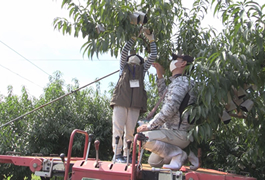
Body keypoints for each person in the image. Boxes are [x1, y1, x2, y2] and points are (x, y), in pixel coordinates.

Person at [137, 53, 199, 170]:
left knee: (142, 137)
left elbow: (170, 108)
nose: (172, 61)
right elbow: (164, 97)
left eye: (175, 59)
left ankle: (178, 154)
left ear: (183, 63)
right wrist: (160, 74)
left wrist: (150, 125)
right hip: (172, 133)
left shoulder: (182, 82)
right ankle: (184, 153)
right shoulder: (178, 82)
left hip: (178, 133)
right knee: (154, 162)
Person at [110, 28, 157, 163]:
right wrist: (134, 36)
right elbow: (125, 50)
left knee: (130, 131)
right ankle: (117, 154)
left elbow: (153, 55)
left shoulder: (142, 70)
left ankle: (127, 155)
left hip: (135, 104)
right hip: (120, 101)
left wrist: (151, 39)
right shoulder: (123, 66)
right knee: (118, 129)